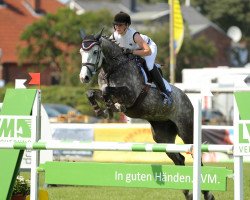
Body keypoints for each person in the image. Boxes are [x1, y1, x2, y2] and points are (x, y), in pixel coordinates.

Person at [111, 11, 172, 106]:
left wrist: (131, 52)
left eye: (120, 25)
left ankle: (165, 92)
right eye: (116, 25)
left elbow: (148, 51)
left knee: (149, 66)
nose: (117, 27)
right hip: (134, 51)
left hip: (149, 47)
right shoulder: (114, 36)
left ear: (127, 25)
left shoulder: (134, 35)